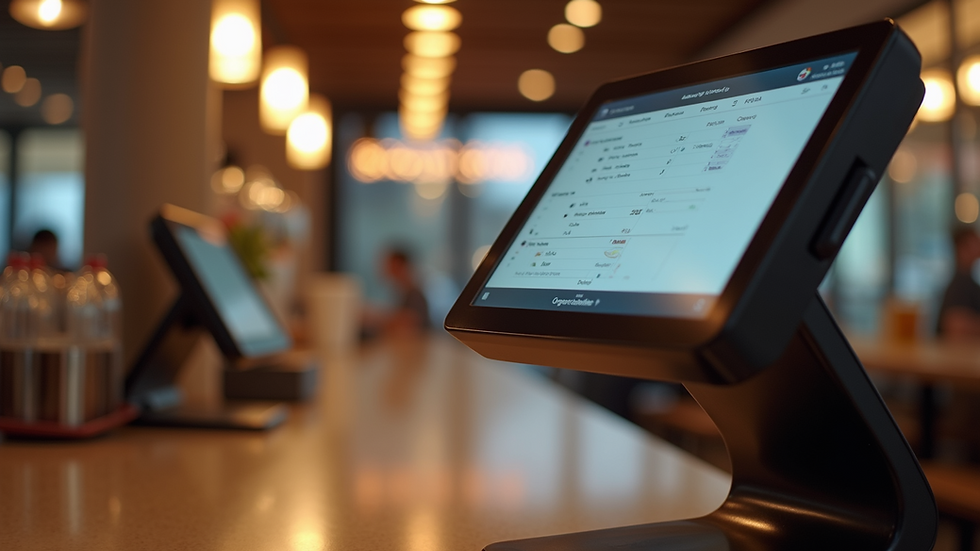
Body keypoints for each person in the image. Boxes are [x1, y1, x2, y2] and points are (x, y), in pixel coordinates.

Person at [363, 246, 431, 338]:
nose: (386, 269)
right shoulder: (402, 292)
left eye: (390, 265)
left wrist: (377, 317)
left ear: (400, 266)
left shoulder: (415, 294)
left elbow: (411, 322)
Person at [937, 226, 980, 339]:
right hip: (955, 350)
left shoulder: (969, 282)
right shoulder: (960, 284)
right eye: (975, 241)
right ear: (962, 248)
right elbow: (954, 325)